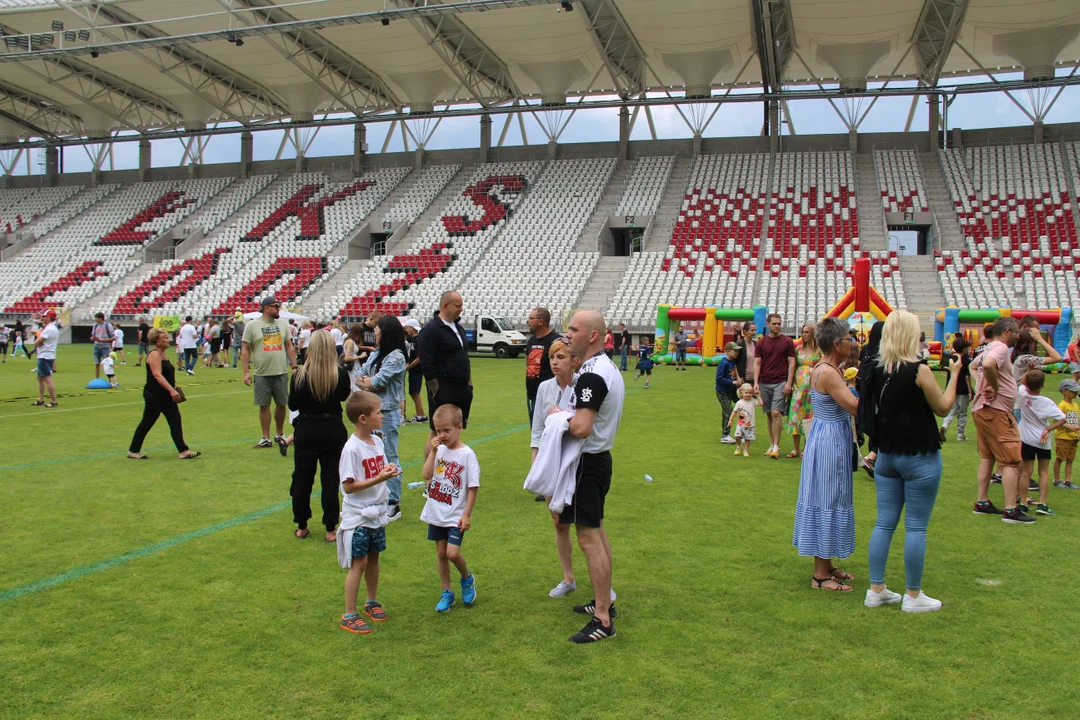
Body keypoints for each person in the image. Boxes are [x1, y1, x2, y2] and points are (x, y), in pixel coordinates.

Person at [864, 311, 959, 613]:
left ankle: (876, 588)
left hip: (887, 456)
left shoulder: (876, 369)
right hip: (919, 456)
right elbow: (943, 408)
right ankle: (913, 595)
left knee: (884, 523)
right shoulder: (919, 370)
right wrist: (955, 375)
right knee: (916, 527)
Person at [562, 310, 625, 643]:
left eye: (574, 329)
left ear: (593, 336)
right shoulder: (600, 368)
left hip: (589, 462)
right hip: (598, 460)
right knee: (597, 533)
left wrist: (558, 418)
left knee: (588, 539)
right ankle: (606, 601)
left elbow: (582, 427)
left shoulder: (593, 374)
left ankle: (603, 619)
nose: (567, 334)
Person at [792, 317, 859, 592]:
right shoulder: (829, 372)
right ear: (836, 344)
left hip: (828, 434)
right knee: (828, 497)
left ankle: (826, 563)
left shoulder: (829, 367)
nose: (852, 343)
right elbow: (854, 407)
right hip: (830, 438)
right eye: (848, 339)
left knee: (829, 495)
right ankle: (820, 574)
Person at [337, 390, 398, 634]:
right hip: (359, 515)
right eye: (378, 412)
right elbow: (349, 486)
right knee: (359, 563)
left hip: (377, 514)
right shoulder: (351, 449)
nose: (382, 415)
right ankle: (349, 614)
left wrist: (389, 470)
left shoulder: (378, 441)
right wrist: (378, 478)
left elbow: (379, 470)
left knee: (374, 559)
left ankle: (371, 601)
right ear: (363, 418)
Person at [288, 330, 352, 541]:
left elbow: (293, 404)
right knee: (331, 479)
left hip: (306, 427)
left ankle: (302, 524)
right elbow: (343, 396)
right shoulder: (339, 373)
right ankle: (330, 528)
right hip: (332, 426)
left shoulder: (299, 375)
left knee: (302, 478)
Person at [530, 340, 582, 593]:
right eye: (552, 357)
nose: (554, 362)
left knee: (586, 525)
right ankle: (569, 579)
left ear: (573, 360)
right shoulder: (543, 388)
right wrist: (536, 460)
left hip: (577, 460)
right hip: (552, 460)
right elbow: (537, 428)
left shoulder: (583, 385)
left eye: (560, 357)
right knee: (559, 523)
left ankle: (603, 583)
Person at [971, 317, 1031, 523]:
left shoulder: (986, 347)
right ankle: (1010, 510)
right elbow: (988, 366)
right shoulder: (1000, 349)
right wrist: (995, 389)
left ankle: (982, 502)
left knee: (988, 457)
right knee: (1012, 460)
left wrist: (980, 388)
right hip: (996, 411)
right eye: (1015, 332)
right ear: (1007, 331)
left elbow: (973, 366)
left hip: (981, 410)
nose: (1017, 336)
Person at [420, 404, 479, 613]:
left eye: (447, 430)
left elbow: (472, 487)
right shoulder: (439, 450)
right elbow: (426, 475)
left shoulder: (467, 454)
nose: (442, 435)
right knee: (441, 554)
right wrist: (434, 451)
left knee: (453, 553)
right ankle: (447, 592)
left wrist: (467, 514)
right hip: (436, 512)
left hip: (455, 514)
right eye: (438, 431)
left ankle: (466, 578)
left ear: (459, 427)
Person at [356, 315, 407, 522]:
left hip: (386, 412)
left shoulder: (396, 356)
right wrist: (367, 381)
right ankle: (378, 498)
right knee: (372, 456)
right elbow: (359, 375)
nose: (374, 332)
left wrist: (367, 381)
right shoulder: (377, 353)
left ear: (386, 332)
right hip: (371, 409)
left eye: (377, 329)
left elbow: (376, 381)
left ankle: (393, 503)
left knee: (389, 455)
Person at [127, 328, 200, 459]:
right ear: (157, 341)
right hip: (155, 395)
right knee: (147, 422)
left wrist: (174, 388)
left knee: (175, 421)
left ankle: (183, 451)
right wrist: (171, 390)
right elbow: (157, 375)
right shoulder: (154, 354)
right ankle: (133, 450)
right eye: (165, 338)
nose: (169, 340)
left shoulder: (163, 354)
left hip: (166, 395)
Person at [418, 291, 473, 463]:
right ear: (445, 306)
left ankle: (447, 473)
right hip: (443, 387)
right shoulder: (431, 330)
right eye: (458, 305)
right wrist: (436, 389)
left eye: (461, 305)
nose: (461, 309)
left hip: (462, 387)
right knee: (437, 432)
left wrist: (469, 383)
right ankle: (430, 479)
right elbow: (426, 362)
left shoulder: (458, 328)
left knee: (454, 431)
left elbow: (464, 356)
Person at [242, 296, 296, 451]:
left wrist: (294, 366)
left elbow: (289, 346)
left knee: (282, 404)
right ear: (266, 308)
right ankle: (265, 437)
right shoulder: (252, 325)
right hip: (261, 373)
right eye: (275, 306)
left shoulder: (283, 324)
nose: (278, 309)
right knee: (263, 405)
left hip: (280, 371)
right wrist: (246, 372)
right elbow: (245, 349)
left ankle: (279, 434)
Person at [1017, 370, 1068, 516]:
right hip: (1042, 439)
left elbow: (1021, 382)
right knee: (1043, 471)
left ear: (1027, 384)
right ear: (1043, 385)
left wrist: (1029, 370)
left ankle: (1022, 503)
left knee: (1026, 471)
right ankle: (1042, 504)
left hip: (1026, 438)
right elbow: (1062, 419)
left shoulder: (1022, 395)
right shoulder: (1046, 402)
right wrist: (1048, 428)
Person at [754, 313, 797, 459]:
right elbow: (757, 363)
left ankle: (777, 446)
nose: (777, 326)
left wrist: (789, 382)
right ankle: (772, 444)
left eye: (779, 323)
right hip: (764, 381)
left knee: (776, 412)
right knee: (768, 414)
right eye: (774, 323)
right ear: (768, 324)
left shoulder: (787, 342)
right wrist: (755, 383)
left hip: (781, 381)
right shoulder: (761, 343)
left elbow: (792, 362)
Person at [785, 324, 821, 459]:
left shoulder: (818, 351)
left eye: (807, 332)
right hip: (799, 388)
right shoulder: (798, 349)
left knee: (808, 417)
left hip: (812, 389)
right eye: (803, 332)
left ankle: (807, 447)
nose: (804, 334)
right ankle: (795, 449)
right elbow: (792, 365)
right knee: (795, 416)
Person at [525, 307, 557, 424]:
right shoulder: (531, 341)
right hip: (532, 395)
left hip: (550, 397)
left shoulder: (556, 341)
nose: (528, 321)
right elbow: (527, 363)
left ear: (540, 322)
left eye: (531, 318)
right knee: (535, 431)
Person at [940, 337, 974, 442]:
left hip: (952, 388)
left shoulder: (950, 358)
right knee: (962, 412)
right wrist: (970, 391)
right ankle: (960, 434)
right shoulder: (966, 360)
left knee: (952, 410)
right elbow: (967, 377)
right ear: (964, 349)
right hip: (963, 389)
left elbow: (947, 373)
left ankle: (945, 425)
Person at [1054, 378, 1080, 490]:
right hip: (1063, 437)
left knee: (1070, 459)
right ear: (1065, 391)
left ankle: (1068, 480)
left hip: (1073, 438)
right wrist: (1071, 427)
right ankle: (1056, 480)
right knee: (1060, 458)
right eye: (1073, 391)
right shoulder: (1062, 406)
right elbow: (1056, 422)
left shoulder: (1076, 406)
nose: (1076, 393)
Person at [31, 310, 60, 408]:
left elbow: (37, 342)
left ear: (49, 317)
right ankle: (41, 399)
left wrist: (38, 337)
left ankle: (53, 401)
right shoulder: (53, 328)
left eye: (44, 317)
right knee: (40, 378)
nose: (42, 318)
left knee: (47, 378)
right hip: (48, 355)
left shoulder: (49, 329)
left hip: (44, 356)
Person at [403, 318, 427, 425]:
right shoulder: (412, 339)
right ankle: (421, 415)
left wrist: (408, 367)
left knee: (415, 392)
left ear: (412, 328)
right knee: (413, 392)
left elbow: (419, 358)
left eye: (407, 327)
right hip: (414, 369)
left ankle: (419, 415)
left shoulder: (418, 340)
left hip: (417, 369)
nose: (406, 330)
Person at [715, 342, 741, 444]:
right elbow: (719, 378)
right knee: (729, 411)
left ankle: (739, 432)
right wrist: (732, 382)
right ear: (727, 351)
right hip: (722, 391)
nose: (737, 353)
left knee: (732, 410)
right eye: (735, 351)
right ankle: (725, 435)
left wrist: (738, 381)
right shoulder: (724, 362)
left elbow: (735, 373)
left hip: (730, 391)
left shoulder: (733, 362)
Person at [729, 383, 756, 458]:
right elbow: (734, 411)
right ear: (742, 393)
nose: (748, 394)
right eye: (746, 393)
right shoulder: (739, 402)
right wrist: (730, 420)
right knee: (737, 436)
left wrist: (759, 395)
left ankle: (746, 451)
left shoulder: (753, 401)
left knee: (747, 438)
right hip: (740, 424)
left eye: (750, 393)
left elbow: (761, 403)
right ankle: (739, 446)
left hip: (750, 424)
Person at [90, 312, 116, 379]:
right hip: (96, 346)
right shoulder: (95, 325)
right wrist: (92, 338)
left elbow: (114, 337)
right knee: (96, 364)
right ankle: (97, 379)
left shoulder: (108, 325)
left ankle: (110, 380)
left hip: (105, 347)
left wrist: (103, 340)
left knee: (107, 365)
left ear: (101, 318)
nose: (95, 320)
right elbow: (94, 335)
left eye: (96, 318)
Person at [342, 324, 365, 389]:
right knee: (355, 384)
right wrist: (360, 356)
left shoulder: (351, 341)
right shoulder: (350, 342)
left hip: (354, 365)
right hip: (352, 365)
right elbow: (347, 358)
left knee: (355, 384)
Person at [735, 321, 757, 388]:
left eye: (755, 330)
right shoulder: (740, 344)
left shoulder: (756, 344)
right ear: (745, 331)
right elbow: (735, 362)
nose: (754, 332)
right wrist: (738, 377)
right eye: (752, 330)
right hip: (743, 379)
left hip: (754, 379)